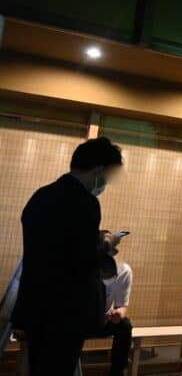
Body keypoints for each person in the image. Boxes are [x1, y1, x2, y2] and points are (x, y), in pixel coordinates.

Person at [11, 137, 123, 376]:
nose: (106, 182)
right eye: (107, 175)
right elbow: (82, 259)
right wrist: (106, 243)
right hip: (67, 310)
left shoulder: (41, 196)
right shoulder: (85, 202)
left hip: (35, 305)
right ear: (98, 171)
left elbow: (53, 247)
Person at [97, 230, 133, 376]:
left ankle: (117, 372)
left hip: (103, 321)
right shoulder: (81, 269)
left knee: (124, 325)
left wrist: (118, 314)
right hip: (77, 322)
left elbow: (121, 306)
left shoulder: (123, 271)